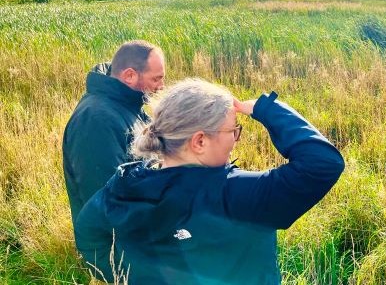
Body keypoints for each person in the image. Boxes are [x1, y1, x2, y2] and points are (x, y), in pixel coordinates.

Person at [74, 79, 345, 284]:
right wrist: (266, 109)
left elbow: (88, 237)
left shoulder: (124, 185)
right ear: (200, 141)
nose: (236, 139)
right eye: (233, 130)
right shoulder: (236, 194)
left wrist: (129, 276)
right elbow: (323, 163)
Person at [63, 40, 165, 226]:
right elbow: (104, 198)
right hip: (115, 246)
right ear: (129, 76)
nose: (161, 86)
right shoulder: (95, 120)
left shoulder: (129, 104)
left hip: (139, 229)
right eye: (156, 79)